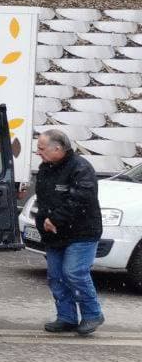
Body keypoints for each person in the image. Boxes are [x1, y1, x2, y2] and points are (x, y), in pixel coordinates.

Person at [33, 128, 105, 335]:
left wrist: (55, 219)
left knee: (74, 273)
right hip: (55, 233)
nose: (38, 152)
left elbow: (80, 199)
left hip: (82, 232)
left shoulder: (81, 168)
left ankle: (92, 314)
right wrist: (43, 222)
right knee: (56, 277)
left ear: (58, 148)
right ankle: (66, 317)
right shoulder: (46, 168)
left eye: (41, 148)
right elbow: (44, 200)